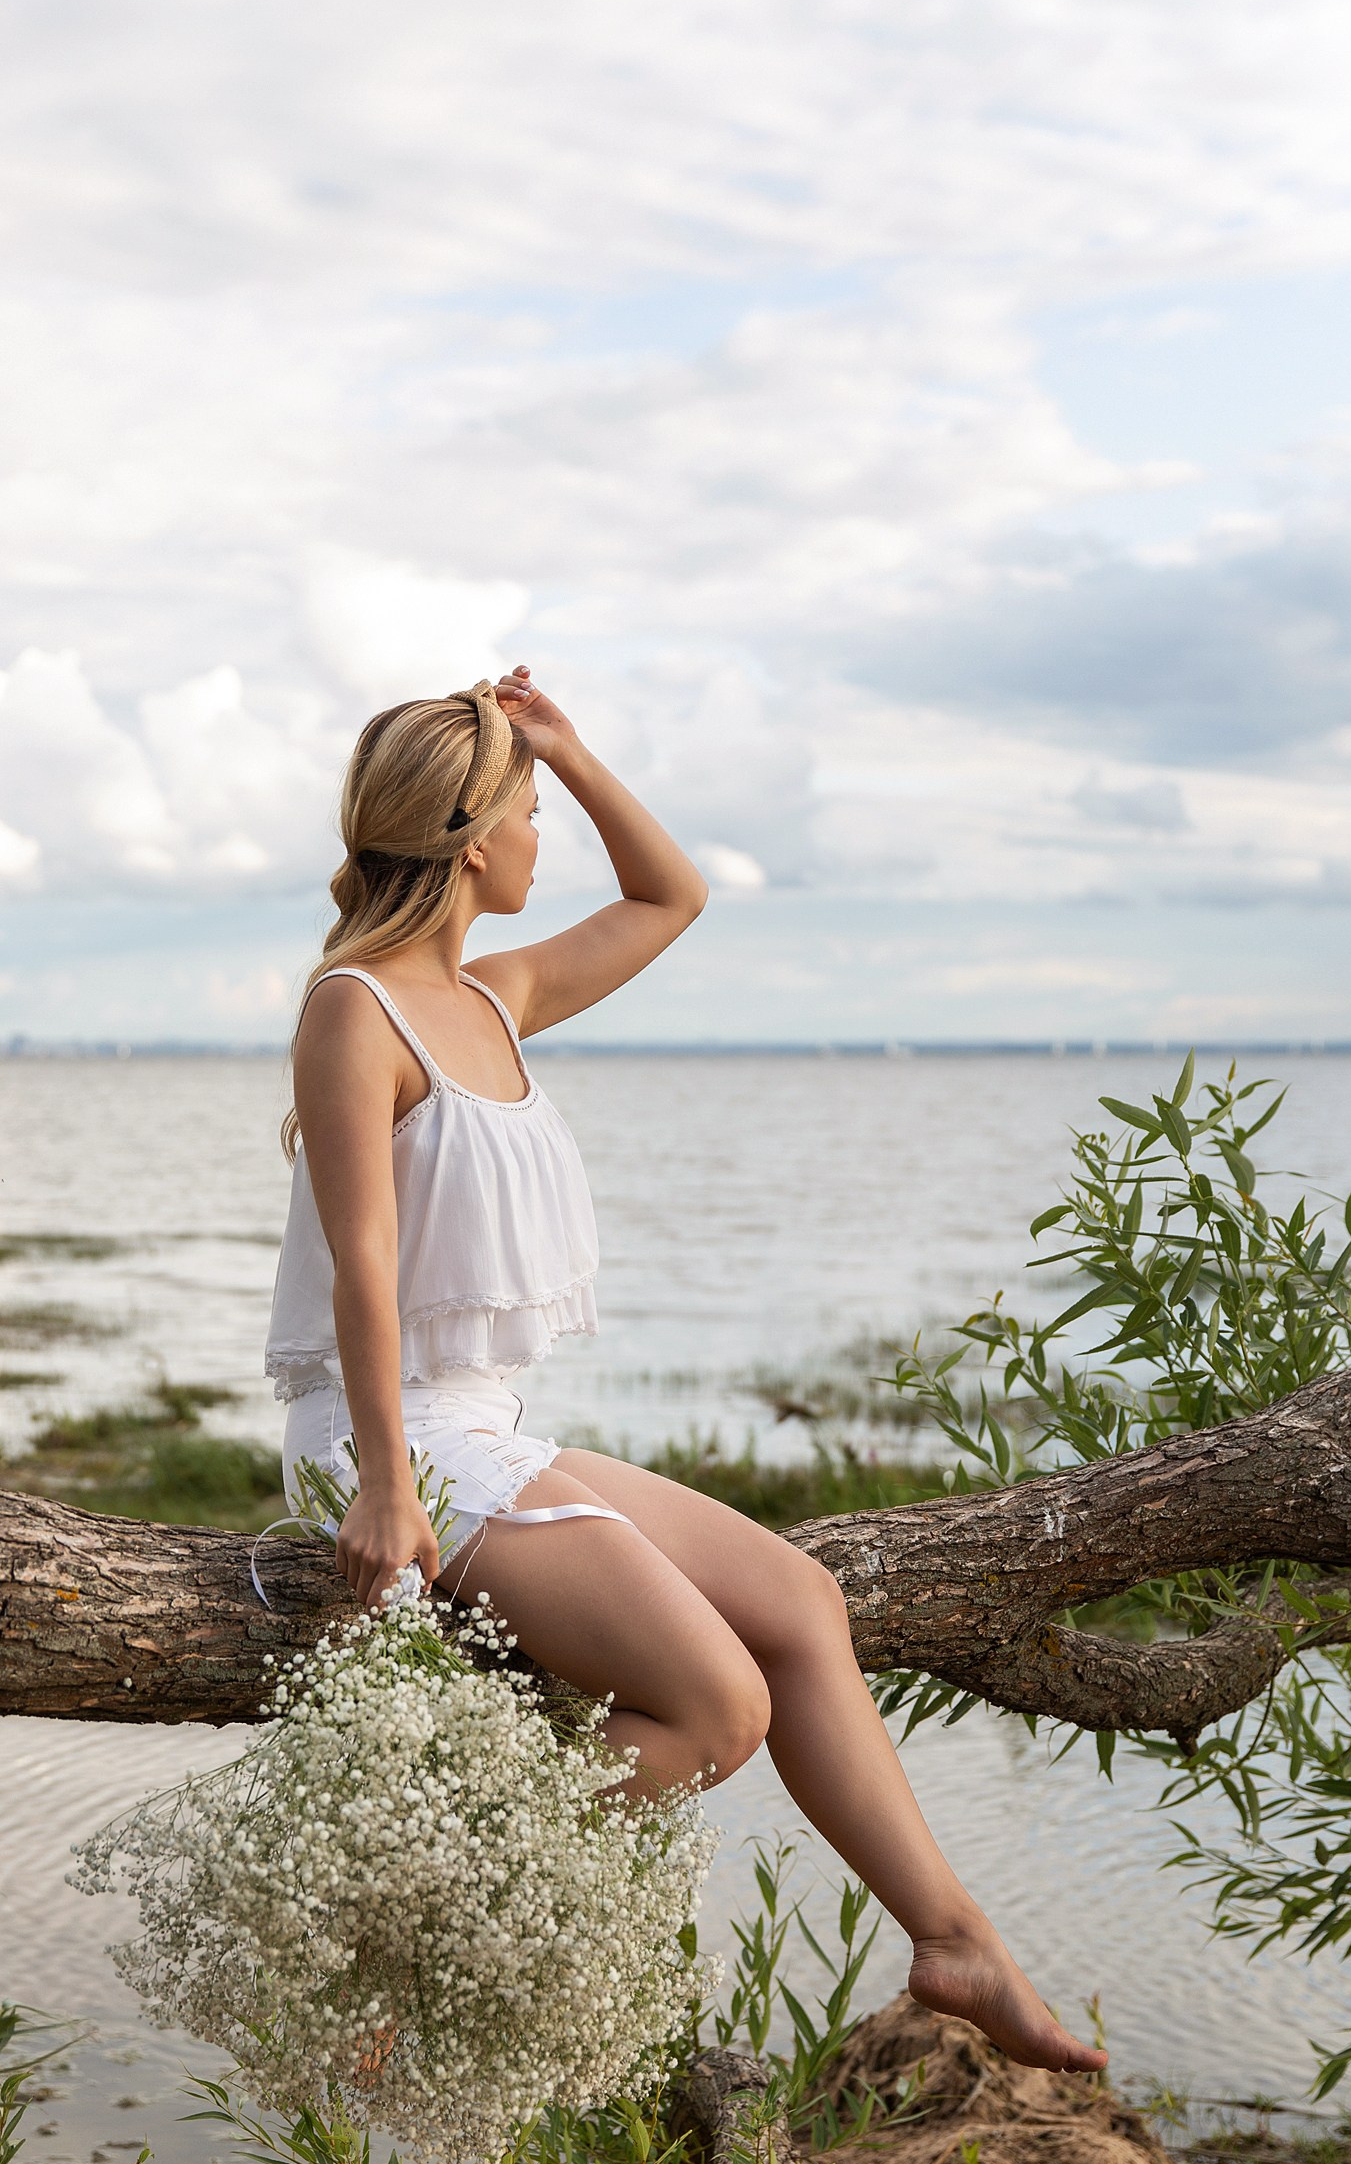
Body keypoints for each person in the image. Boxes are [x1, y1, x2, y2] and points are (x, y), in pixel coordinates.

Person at [265, 669, 1105, 2076]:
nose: (547, 834)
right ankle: (397, 1938)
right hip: (384, 1440)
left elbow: (670, 899)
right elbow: (360, 1264)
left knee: (799, 1602)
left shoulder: (495, 996)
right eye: (532, 813)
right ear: (475, 843)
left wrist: (571, 752)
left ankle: (956, 1940)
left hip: (478, 1426)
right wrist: (386, 1492)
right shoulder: (358, 1012)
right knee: (718, 1709)